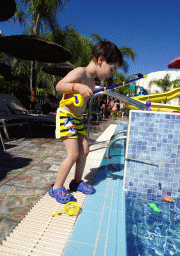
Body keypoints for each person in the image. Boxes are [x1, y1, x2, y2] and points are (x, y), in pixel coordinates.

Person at [48, 41, 123, 203]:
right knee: (73, 153)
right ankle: (56, 188)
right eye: (112, 69)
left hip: (77, 119)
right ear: (101, 60)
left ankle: (76, 182)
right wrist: (78, 87)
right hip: (66, 116)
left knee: (84, 150)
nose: (111, 74)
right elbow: (60, 86)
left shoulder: (92, 80)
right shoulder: (81, 72)